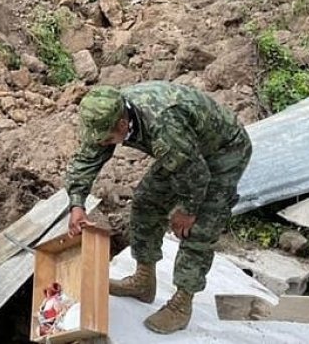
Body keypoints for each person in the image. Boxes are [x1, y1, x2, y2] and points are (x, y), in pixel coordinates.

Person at [64, 82, 252, 334]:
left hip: (224, 151)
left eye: (108, 139)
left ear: (122, 125)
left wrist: (187, 210)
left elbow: (195, 174)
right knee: (146, 202)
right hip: (186, 150)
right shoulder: (108, 116)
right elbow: (89, 157)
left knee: (200, 226)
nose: (104, 144)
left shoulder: (163, 124)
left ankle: (182, 304)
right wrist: (77, 202)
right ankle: (144, 280)